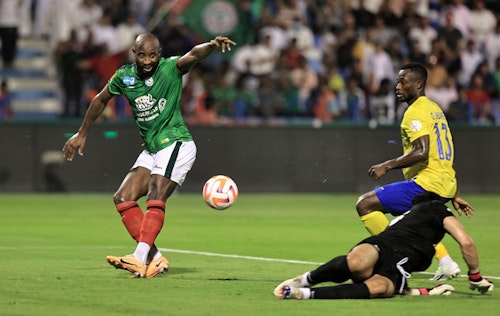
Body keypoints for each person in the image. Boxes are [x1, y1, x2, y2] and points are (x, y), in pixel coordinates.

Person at [62, 33, 236, 278]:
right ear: (134, 53)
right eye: (142, 55)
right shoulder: (124, 76)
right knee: (123, 197)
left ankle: (138, 257)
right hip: (153, 148)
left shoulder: (170, 69)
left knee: (156, 192)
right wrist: (82, 133)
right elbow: (101, 100)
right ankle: (155, 258)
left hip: (177, 142)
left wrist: (212, 45)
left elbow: (194, 55)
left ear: (159, 53)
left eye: (152, 55)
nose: (147, 60)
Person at [355, 62, 474, 281]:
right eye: (397, 81)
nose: (397, 86)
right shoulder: (434, 109)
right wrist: (454, 194)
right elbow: (441, 151)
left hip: (426, 185)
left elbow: (422, 151)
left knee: (365, 204)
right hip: (444, 184)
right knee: (412, 221)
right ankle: (447, 263)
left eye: (402, 81)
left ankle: (392, 258)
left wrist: (386, 165)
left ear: (418, 84)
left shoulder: (415, 113)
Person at [274, 192, 494, 300]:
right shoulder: (435, 209)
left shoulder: (405, 217)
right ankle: (305, 285)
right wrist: (475, 277)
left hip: (394, 263)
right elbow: (466, 242)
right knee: (369, 277)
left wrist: (426, 291)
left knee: (359, 265)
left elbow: (404, 288)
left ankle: (303, 290)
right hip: (391, 253)